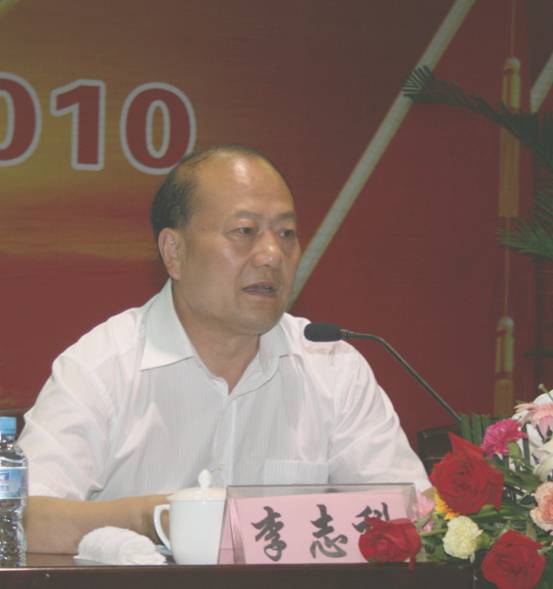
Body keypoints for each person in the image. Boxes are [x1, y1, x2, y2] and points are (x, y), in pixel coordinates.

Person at [19, 145, 429, 554]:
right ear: (174, 252)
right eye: (244, 231)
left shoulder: (333, 367)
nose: (272, 255)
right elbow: (21, 518)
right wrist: (155, 520)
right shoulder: (102, 368)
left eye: (286, 233)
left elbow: (415, 516)